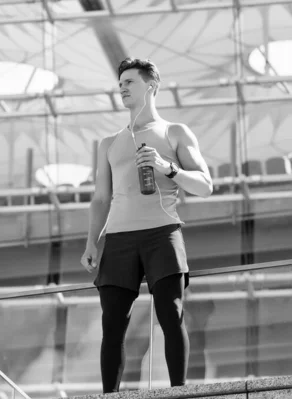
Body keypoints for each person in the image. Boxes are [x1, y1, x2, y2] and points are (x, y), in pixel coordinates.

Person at [80, 58, 213, 393]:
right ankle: (109, 393)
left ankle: (179, 390)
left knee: (171, 314)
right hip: (119, 238)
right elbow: (100, 199)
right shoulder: (109, 143)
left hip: (162, 234)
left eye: (130, 82)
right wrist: (91, 242)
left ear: (151, 85)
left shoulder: (174, 132)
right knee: (112, 323)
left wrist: (168, 168)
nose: (122, 88)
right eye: (120, 83)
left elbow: (205, 185)